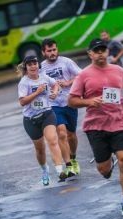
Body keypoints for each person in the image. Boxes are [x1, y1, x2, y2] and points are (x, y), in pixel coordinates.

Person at [68, 38, 123, 216]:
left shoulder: (118, 70)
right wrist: (89, 102)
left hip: (120, 121)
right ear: (90, 54)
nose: (100, 53)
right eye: (96, 50)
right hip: (96, 126)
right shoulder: (84, 75)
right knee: (104, 169)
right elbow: (71, 100)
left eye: (103, 49)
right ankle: (106, 169)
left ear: (107, 52)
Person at [17, 55, 68, 185]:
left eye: (35, 63)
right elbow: (22, 102)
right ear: (26, 67)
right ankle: (44, 170)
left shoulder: (44, 77)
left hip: (47, 114)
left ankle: (59, 170)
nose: (33, 66)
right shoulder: (24, 82)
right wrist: (37, 92)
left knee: (52, 140)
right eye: (30, 64)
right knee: (40, 150)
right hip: (31, 119)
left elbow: (55, 83)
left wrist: (55, 92)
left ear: (38, 65)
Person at [41, 38, 81, 176]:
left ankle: (74, 158)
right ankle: (68, 165)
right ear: (43, 52)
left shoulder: (66, 62)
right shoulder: (41, 68)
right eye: (49, 51)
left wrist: (68, 82)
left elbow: (81, 76)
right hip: (54, 104)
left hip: (70, 101)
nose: (52, 53)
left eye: (54, 50)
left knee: (71, 135)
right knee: (62, 133)